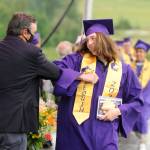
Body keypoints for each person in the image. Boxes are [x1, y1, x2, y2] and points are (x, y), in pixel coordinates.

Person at [0, 12, 94, 150]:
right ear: (25, 32)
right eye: (34, 32)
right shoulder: (31, 53)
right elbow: (56, 72)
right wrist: (81, 76)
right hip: (13, 126)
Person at [53, 19, 143, 150]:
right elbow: (55, 69)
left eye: (93, 38)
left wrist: (118, 111)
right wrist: (81, 76)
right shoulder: (77, 61)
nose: (89, 43)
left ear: (104, 39)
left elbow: (137, 101)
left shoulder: (124, 70)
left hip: (106, 136)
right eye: (87, 40)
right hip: (75, 135)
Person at [131, 40, 150, 150]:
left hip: (146, 98)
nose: (139, 53)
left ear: (145, 53)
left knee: (142, 118)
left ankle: (142, 142)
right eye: (137, 51)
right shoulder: (130, 66)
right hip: (133, 98)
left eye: (141, 51)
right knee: (133, 119)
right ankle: (137, 138)